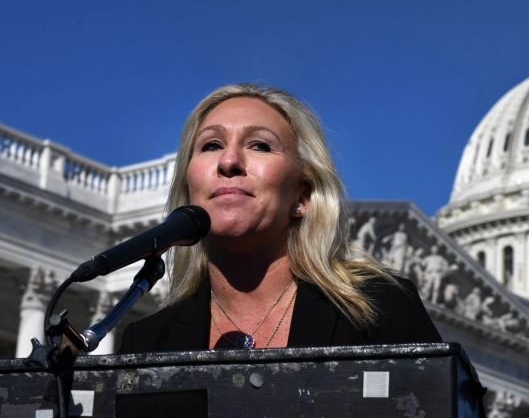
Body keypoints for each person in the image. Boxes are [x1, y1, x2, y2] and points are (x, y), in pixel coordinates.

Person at [118, 83, 441, 352]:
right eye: (211, 145)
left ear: (302, 196)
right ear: (189, 189)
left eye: (260, 145)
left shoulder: (380, 310)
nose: (229, 161)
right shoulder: (146, 343)